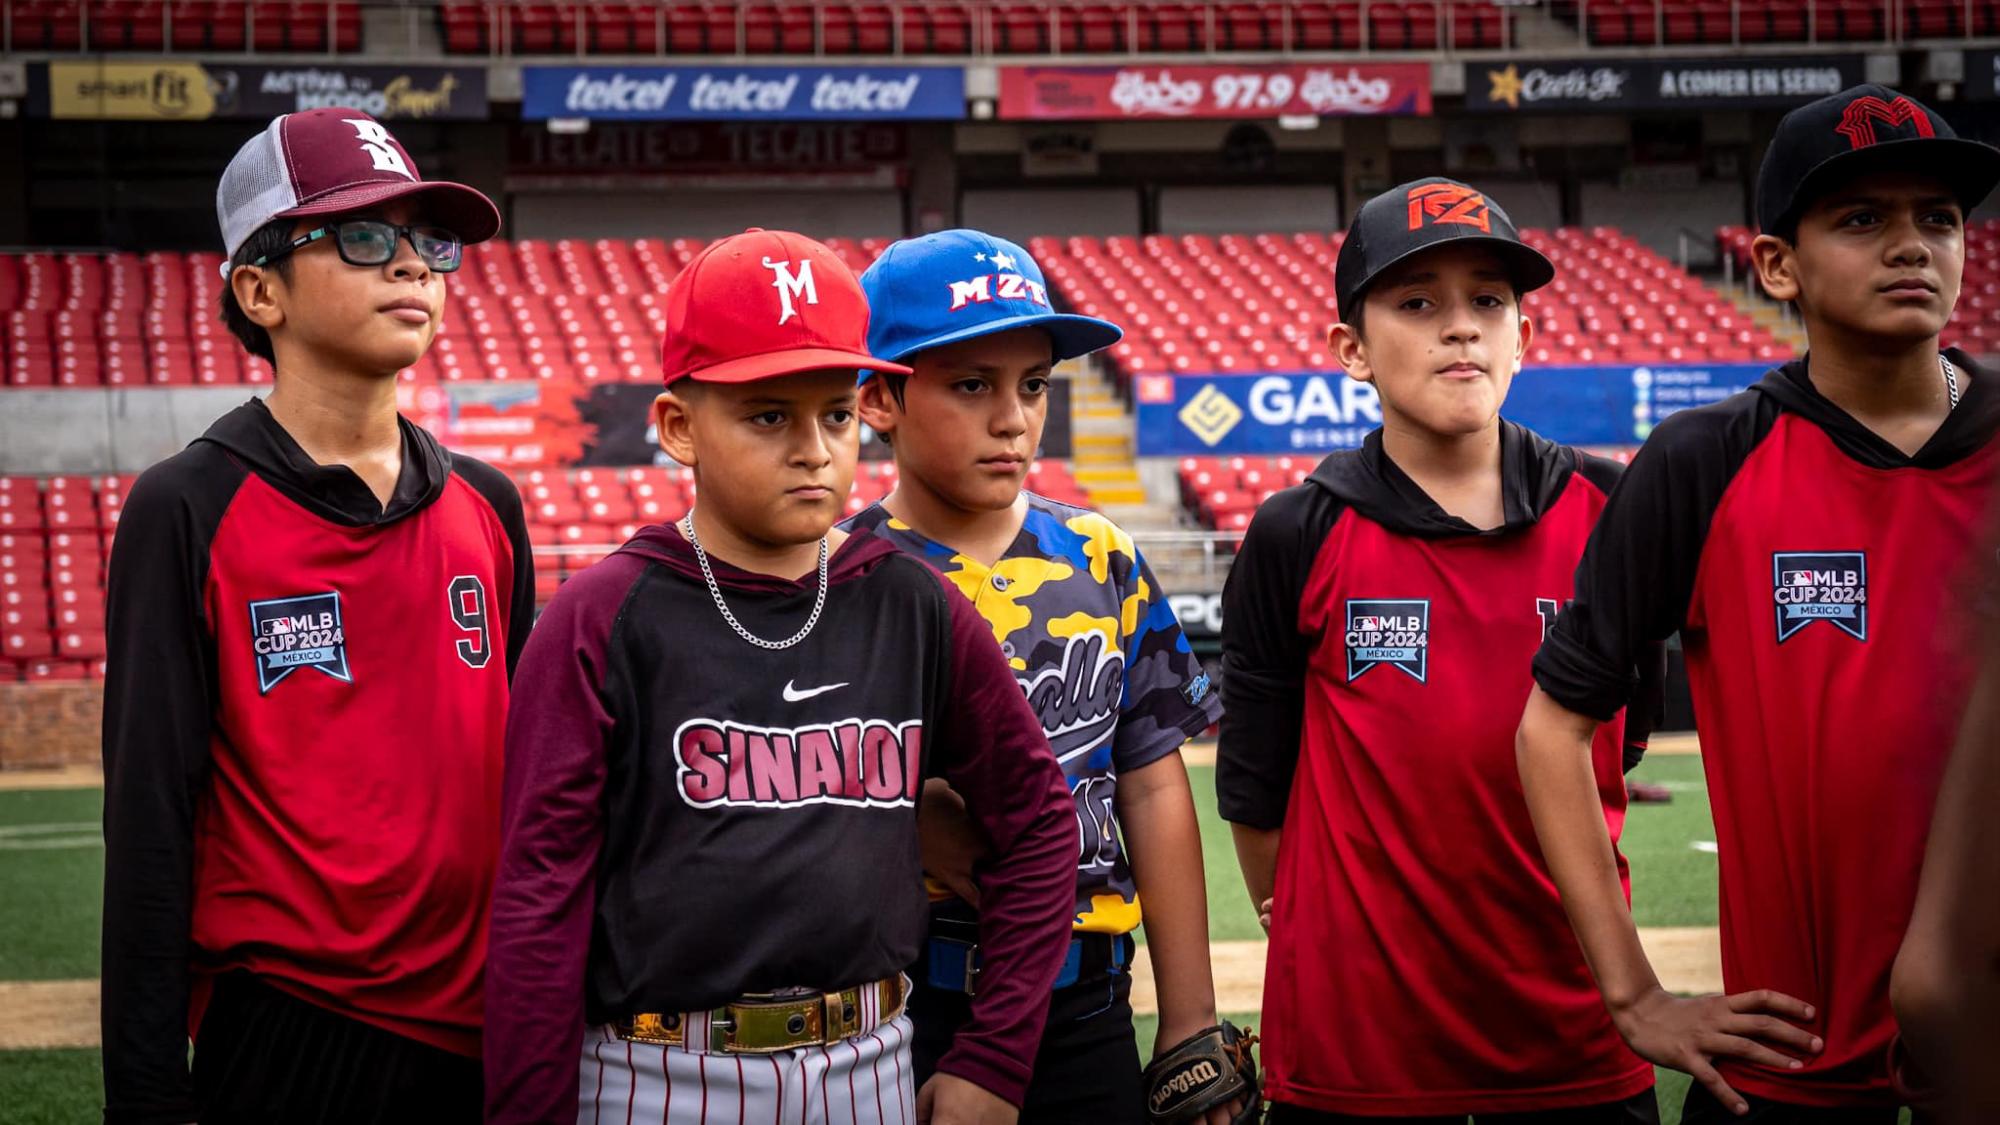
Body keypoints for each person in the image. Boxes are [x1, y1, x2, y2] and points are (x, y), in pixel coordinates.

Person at [483, 228, 1078, 1125]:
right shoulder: (602, 616)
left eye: (835, 414)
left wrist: (995, 1058)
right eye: (769, 415)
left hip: (871, 1058)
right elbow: (538, 896)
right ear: (680, 427)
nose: (813, 448)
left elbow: (1037, 824)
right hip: (657, 1069)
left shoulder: (909, 603)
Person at [1518, 85, 2000, 1122]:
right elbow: (1550, 729)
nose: (1910, 244)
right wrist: (1633, 996)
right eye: (1861, 219)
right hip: (1791, 1070)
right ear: (1774, 265)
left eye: (1938, 217)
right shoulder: (1704, 460)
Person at [100, 108, 528, 1124]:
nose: (413, 268)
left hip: (486, 1020)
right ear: (259, 290)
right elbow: (150, 820)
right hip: (292, 1023)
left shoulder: (489, 504)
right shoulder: (187, 508)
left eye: (430, 242)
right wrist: (147, 1093)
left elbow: (530, 789)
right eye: (365, 236)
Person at [1217, 178, 1660, 1124]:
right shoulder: (1296, 530)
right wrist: (1313, 928)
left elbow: (1616, 748)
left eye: (1487, 301)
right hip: (1357, 1052)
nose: (1460, 327)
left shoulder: (1611, 507)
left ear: (1523, 337)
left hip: (1577, 1033)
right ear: (1352, 349)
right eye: (1417, 302)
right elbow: (1256, 791)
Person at [844, 230, 1233, 1125]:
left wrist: (1190, 1020)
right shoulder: (842, 573)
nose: (1014, 418)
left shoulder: (1100, 554)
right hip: (901, 1003)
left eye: (1033, 385)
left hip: (1085, 999)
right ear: (878, 397)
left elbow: (1151, 785)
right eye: (971, 384)